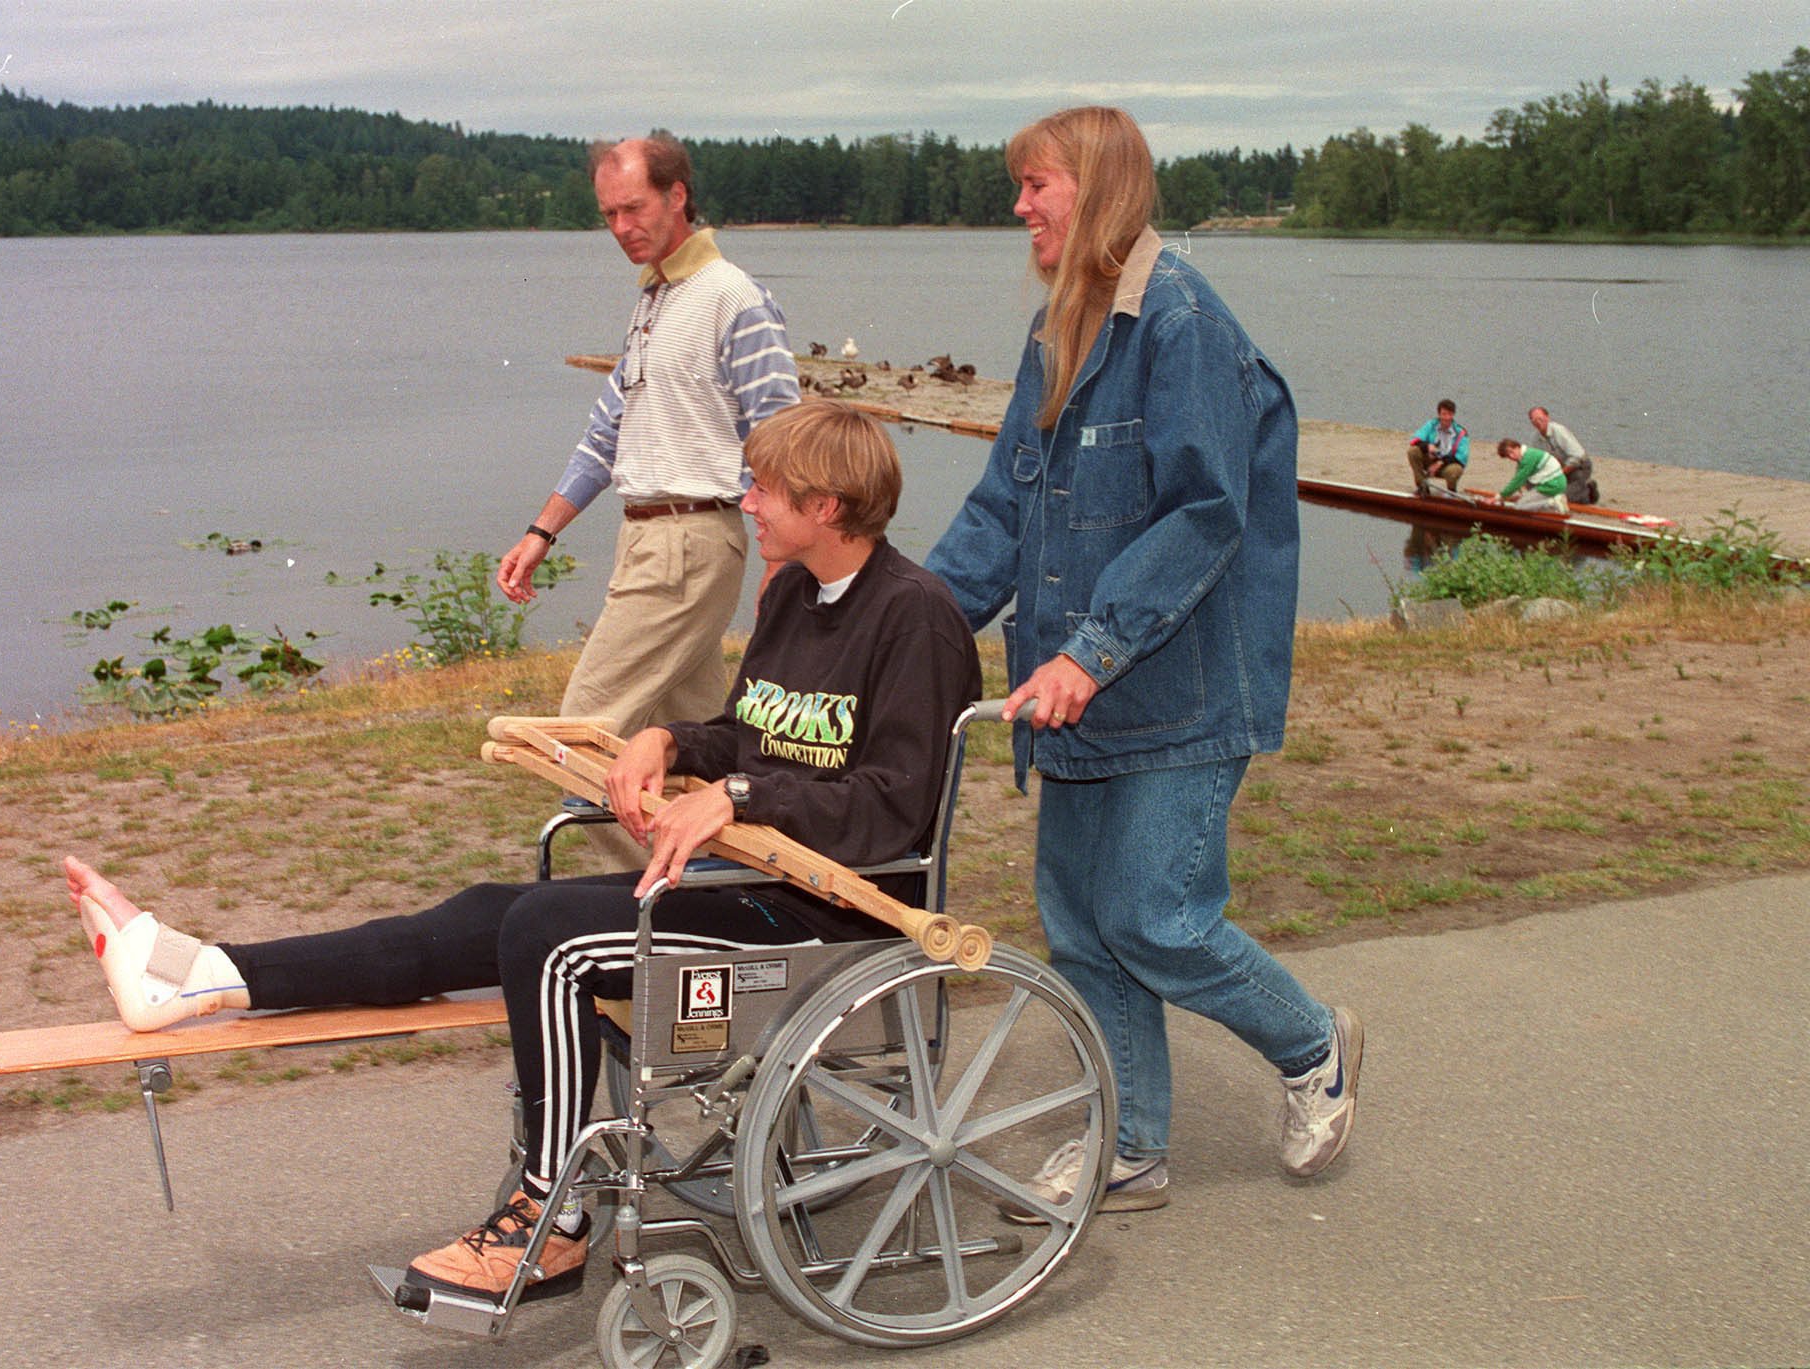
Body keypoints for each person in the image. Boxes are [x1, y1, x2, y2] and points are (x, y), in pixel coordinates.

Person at [66, 398, 981, 1302]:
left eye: (766, 489)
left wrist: (737, 795)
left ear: (827, 508)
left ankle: (549, 1220)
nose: (747, 502)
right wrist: (667, 741)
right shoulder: (791, 595)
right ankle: (197, 976)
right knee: (485, 911)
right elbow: (752, 736)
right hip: (745, 878)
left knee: (550, 931)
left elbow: (896, 811)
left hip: (823, 918)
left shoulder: (916, 618)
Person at [925, 106, 1361, 1218]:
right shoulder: (1055, 332)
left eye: (1035, 184)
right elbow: (999, 511)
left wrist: (1091, 650)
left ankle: (1313, 1044)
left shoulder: (1181, 323)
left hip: (1179, 684)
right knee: (1080, 924)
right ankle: (1128, 1144)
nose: (1017, 206)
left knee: (1155, 916)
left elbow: (1205, 513)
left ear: (1100, 187)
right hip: (1074, 696)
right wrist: (909, 623)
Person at [494, 136, 801, 864]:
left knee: (579, 738)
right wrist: (543, 530)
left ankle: (655, 902)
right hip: (653, 540)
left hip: (691, 540)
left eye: (634, 207)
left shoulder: (732, 297)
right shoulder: (654, 302)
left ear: (678, 196)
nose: (622, 226)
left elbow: (784, 440)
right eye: (609, 214)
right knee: (691, 746)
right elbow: (607, 433)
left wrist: (783, 561)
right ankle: (731, 902)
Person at [1529, 406, 1597, 504]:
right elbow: (1534, 462)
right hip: (1559, 470)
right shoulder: (1535, 439)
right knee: (1543, 494)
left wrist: (1559, 473)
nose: (1538, 422)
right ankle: (1577, 489)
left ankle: (1588, 490)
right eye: (1534, 420)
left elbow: (1578, 456)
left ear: (1547, 417)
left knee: (1562, 499)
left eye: (1540, 418)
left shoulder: (1559, 431)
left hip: (1579, 467)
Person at [1491, 438, 1571, 514]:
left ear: (1517, 447)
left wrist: (1498, 497)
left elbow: (1517, 481)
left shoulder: (1528, 458)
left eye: (1512, 452)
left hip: (1552, 485)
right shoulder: (1527, 454)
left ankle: (1552, 503)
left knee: (1519, 507)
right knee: (1525, 500)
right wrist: (1523, 495)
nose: (1511, 457)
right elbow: (1520, 482)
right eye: (1508, 456)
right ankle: (1555, 504)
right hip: (1556, 482)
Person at [1407, 399, 1470, 494]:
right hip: (1430, 460)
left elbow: (1461, 457)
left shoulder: (1461, 433)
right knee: (1413, 451)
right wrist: (1427, 446)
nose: (1446, 417)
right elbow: (1415, 440)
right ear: (1439, 414)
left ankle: (1451, 492)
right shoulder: (1431, 425)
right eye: (1444, 414)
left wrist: (1440, 463)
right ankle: (1422, 487)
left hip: (1447, 465)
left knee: (1455, 470)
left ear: (1453, 415)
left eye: (1449, 414)